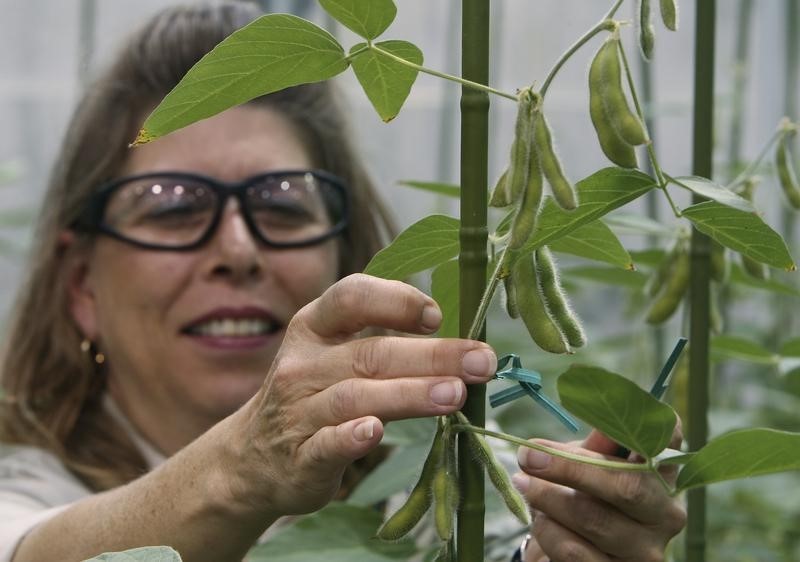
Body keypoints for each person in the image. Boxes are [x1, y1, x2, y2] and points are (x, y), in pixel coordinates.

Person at [0, 2, 686, 561]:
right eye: (175, 206)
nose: (237, 250)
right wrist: (244, 468)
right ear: (81, 288)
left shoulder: (435, 471)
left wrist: (569, 543)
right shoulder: (18, 481)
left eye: (281, 200)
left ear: (345, 255)